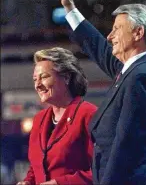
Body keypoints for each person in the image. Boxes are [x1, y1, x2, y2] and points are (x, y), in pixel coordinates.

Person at [60, 0, 146, 184]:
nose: (110, 36)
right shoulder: (139, 69)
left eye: (116, 29)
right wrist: (70, 8)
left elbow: (126, 148)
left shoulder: (142, 77)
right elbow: (100, 49)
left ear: (138, 33)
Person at [17, 47, 97, 185]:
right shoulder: (39, 120)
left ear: (66, 77)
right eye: (35, 79)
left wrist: (60, 183)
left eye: (44, 77)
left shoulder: (89, 114)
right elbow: (37, 167)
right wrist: (28, 182)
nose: (37, 85)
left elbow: (104, 170)